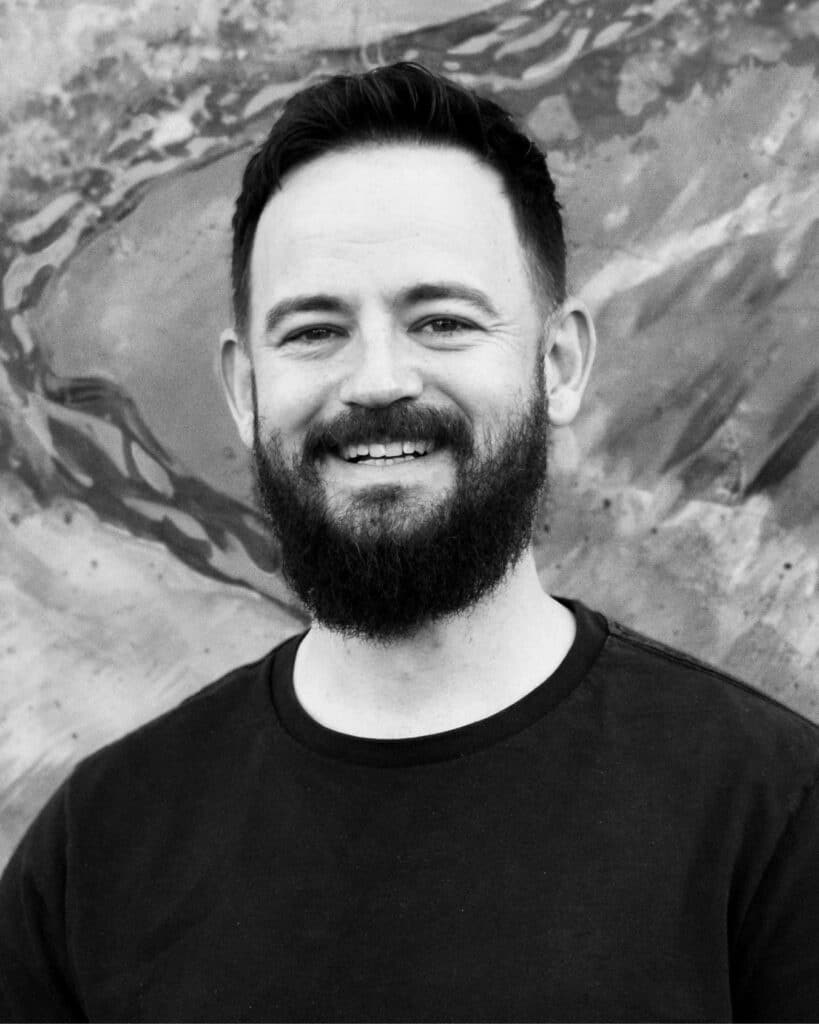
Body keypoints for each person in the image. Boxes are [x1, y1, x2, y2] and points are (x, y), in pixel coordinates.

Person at [1, 62, 817, 1023]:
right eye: (315, 331)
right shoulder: (94, 856)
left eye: (441, 321)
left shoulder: (773, 817)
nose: (378, 380)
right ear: (244, 389)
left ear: (558, 364)